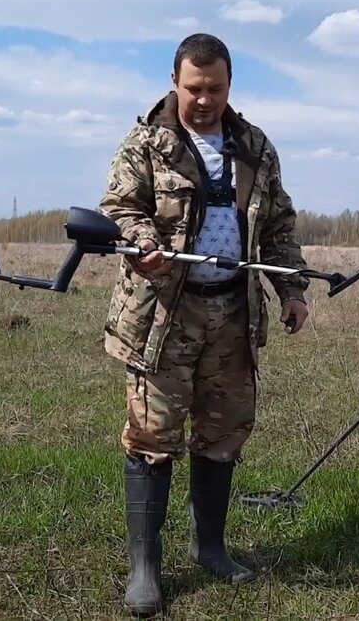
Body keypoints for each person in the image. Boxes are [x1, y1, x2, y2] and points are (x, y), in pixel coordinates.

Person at [99, 32, 310, 615]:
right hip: (163, 317)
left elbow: (278, 227)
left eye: (215, 88)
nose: (204, 100)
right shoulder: (146, 141)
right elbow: (120, 207)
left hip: (233, 318)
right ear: (175, 82)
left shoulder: (255, 146)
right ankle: (145, 568)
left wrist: (291, 290)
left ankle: (210, 548)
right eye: (194, 88)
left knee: (223, 436)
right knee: (152, 440)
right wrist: (144, 243)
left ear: (229, 85)